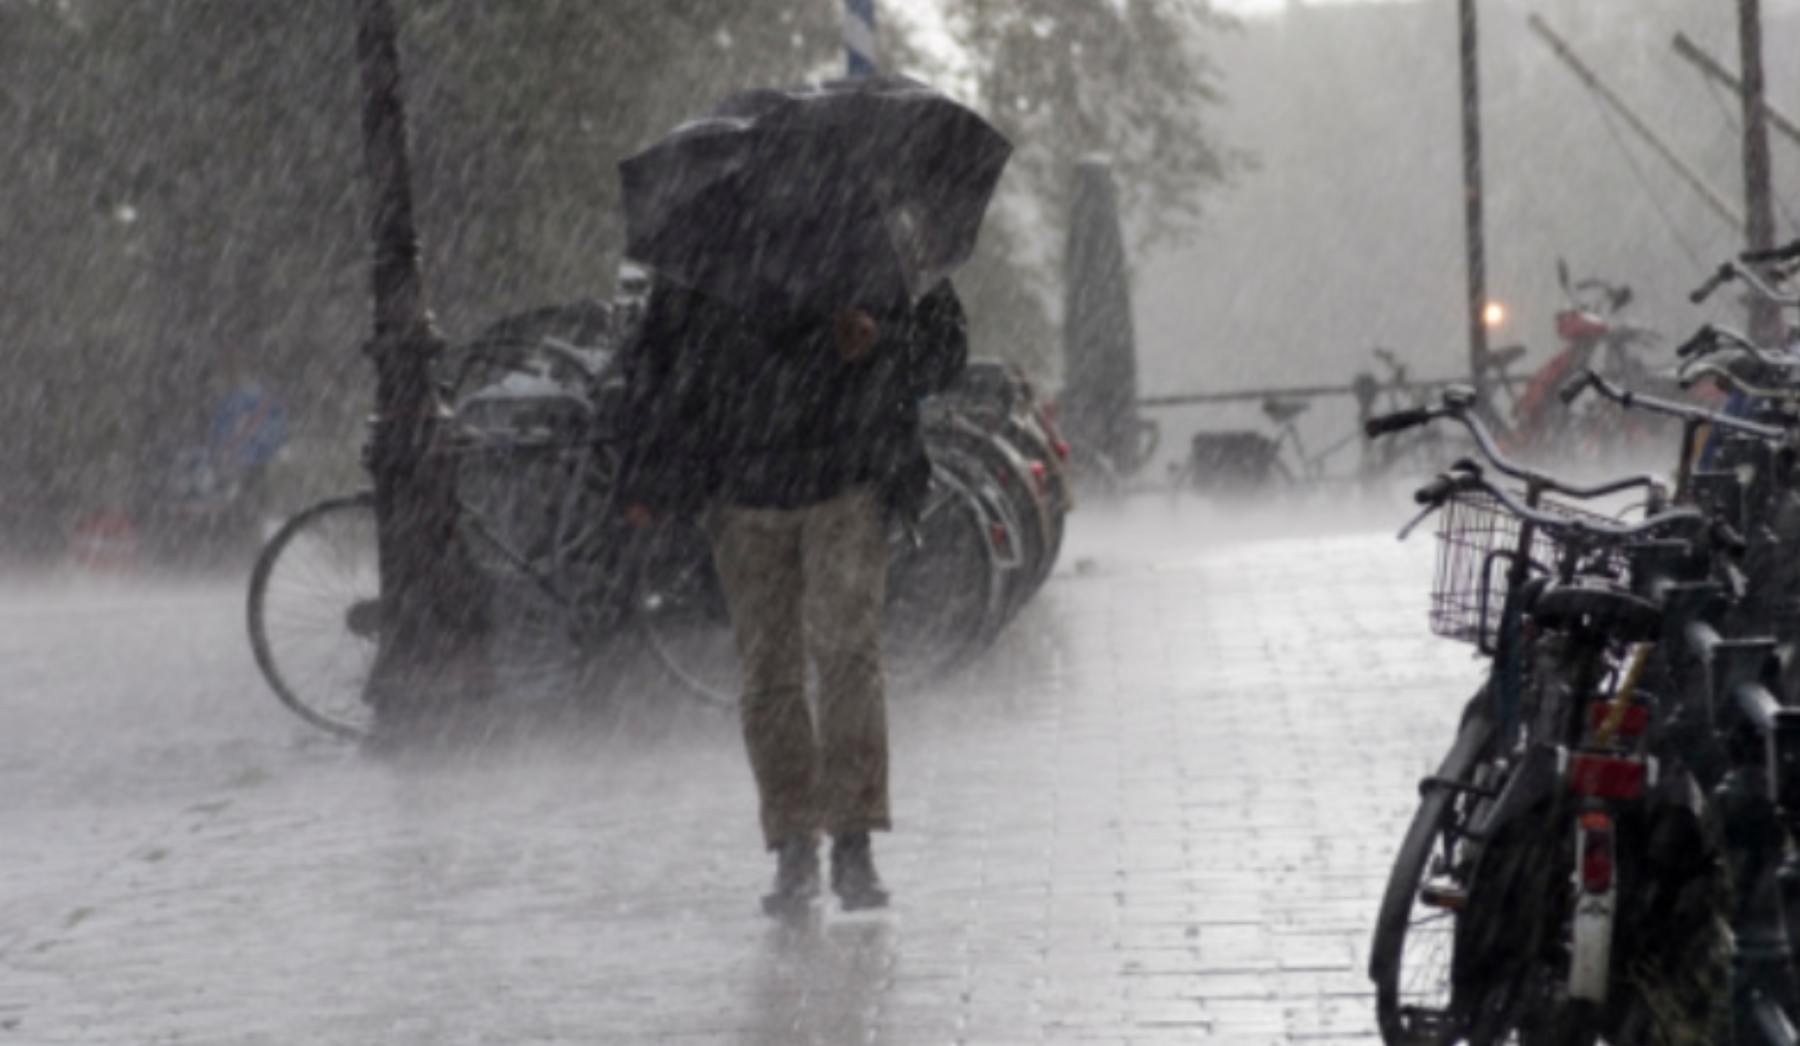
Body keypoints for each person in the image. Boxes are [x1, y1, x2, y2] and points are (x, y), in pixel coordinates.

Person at [615, 278, 967, 915]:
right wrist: (650, 472)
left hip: (845, 479)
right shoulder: (710, 251)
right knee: (770, 671)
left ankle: (852, 842)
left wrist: (880, 340)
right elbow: (660, 362)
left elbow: (943, 355)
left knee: (846, 657)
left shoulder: (872, 237)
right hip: (744, 491)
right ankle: (795, 844)